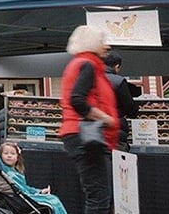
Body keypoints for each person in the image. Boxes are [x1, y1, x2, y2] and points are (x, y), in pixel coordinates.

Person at [59, 25, 118, 214]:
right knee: (99, 196)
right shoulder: (88, 64)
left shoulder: (80, 64)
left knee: (97, 193)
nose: (106, 46)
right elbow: (77, 99)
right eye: (102, 41)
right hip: (84, 133)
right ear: (92, 43)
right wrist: (106, 118)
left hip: (76, 132)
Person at [0, 129, 68, 214]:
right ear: (1, 156)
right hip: (22, 200)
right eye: (6, 153)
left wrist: (40, 191)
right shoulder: (4, 169)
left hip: (26, 196)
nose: (9, 156)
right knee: (54, 200)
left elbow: (26, 188)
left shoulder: (16, 171)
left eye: (12, 153)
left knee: (54, 199)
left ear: (17, 157)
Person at [103, 50, 140, 152]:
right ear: (117, 66)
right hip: (115, 131)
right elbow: (130, 108)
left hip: (93, 132)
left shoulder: (89, 79)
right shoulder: (118, 81)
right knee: (118, 164)